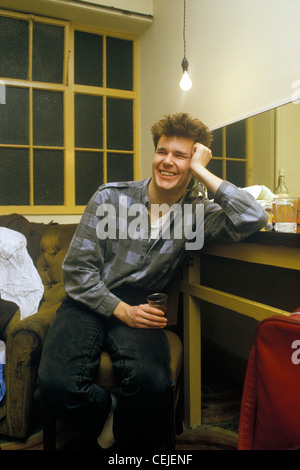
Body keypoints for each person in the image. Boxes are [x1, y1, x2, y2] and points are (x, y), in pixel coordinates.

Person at [34, 112, 268, 450]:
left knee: (153, 382)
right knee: (55, 384)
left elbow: (253, 216)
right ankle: (107, 416)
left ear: (194, 161)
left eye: (181, 155)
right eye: (162, 151)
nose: (167, 162)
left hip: (142, 300)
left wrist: (202, 171)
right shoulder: (110, 197)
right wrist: (122, 311)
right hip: (88, 297)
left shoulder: (196, 214)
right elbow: (77, 272)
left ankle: (125, 442)